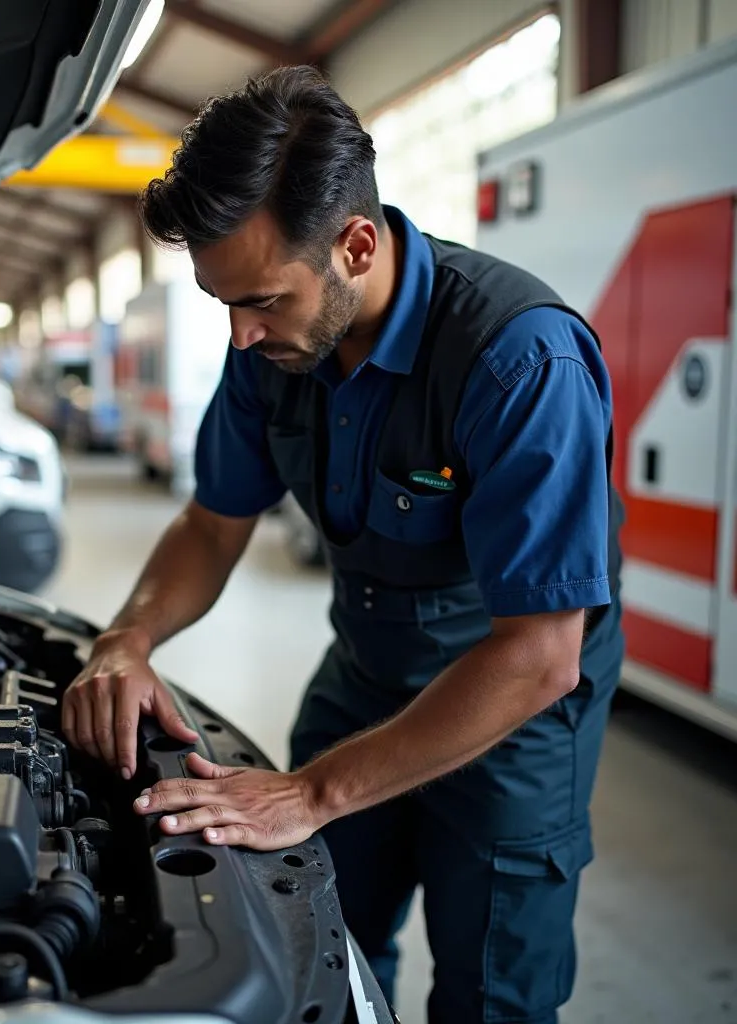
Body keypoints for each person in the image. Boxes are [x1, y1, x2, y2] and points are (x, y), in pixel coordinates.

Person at [61, 65, 624, 1024]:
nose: (240, 336)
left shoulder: (519, 360)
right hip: (365, 672)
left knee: (489, 996)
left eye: (265, 301)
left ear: (356, 245)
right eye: (223, 304)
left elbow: (540, 653)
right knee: (322, 949)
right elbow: (212, 522)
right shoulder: (273, 349)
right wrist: (127, 639)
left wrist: (316, 790)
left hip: (512, 723)